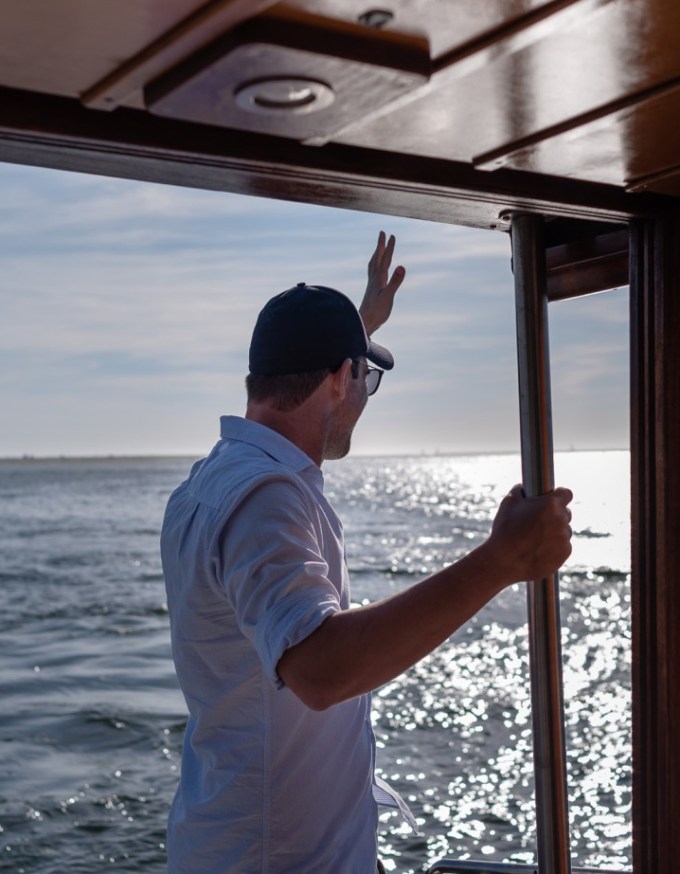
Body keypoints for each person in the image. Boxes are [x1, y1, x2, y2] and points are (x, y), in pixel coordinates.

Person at [160, 232, 573, 874]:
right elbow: (319, 671)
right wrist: (502, 560)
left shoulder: (214, 481)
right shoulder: (264, 498)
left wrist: (359, 323)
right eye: (365, 378)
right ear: (338, 378)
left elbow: (322, 365)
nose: (365, 398)